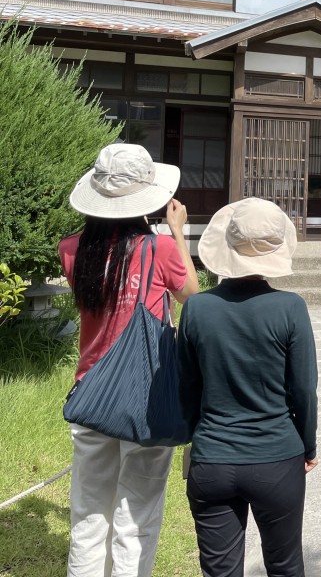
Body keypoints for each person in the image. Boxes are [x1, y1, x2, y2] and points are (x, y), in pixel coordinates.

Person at [60, 143, 199, 577]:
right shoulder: (159, 250)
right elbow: (193, 301)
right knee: (135, 513)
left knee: (88, 511)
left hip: (90, 392)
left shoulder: (70, 249)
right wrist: (177, 232)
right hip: (146, 394)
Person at [177, 197, 318, 577]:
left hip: (212, 458)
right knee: (286, 565)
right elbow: (304, 390)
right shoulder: (290, 308)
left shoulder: (196, 309)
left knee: (219, 571)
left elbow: (186, 386)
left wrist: (198, 437)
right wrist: (308, 446)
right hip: (277, 456)